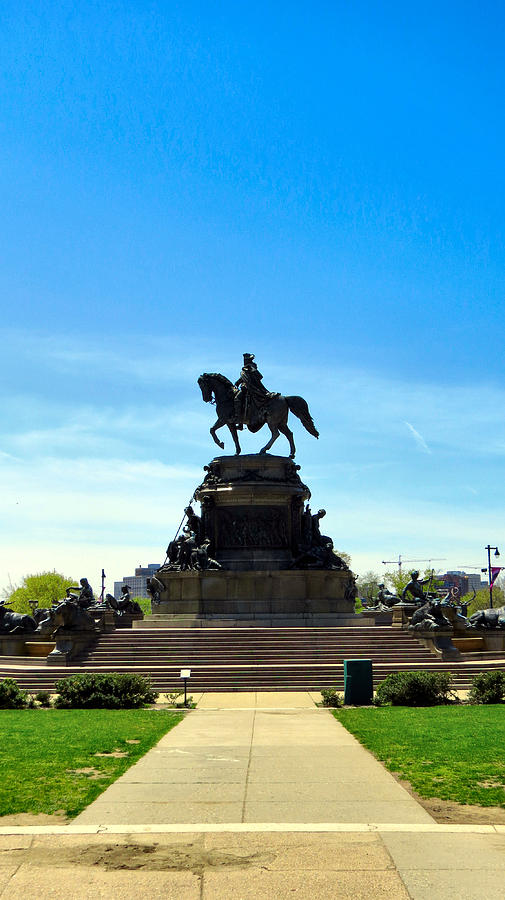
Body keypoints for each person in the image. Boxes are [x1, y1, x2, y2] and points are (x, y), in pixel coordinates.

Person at [234, 353, 275, 429]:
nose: (244, 361)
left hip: (250, 388)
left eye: (246, 359)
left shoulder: (252, 366)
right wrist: (238, 382)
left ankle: (239, 420)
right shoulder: (246, 367)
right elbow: (244, 377)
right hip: (246, 387)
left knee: (237, 399)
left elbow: (255, 376)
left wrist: (249, 370)